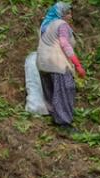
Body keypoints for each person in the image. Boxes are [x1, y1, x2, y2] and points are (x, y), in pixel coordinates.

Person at [36, 2, 85, 130]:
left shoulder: (46, 24)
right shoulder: (61, 25)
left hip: (42, 64)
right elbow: (65, 44)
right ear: (61, 14)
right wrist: (77, 65)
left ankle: (55, 118)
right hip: (57, 64)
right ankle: (64, 124)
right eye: (67, 13)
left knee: (52, 90)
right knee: (65, 89)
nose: (70, 16)